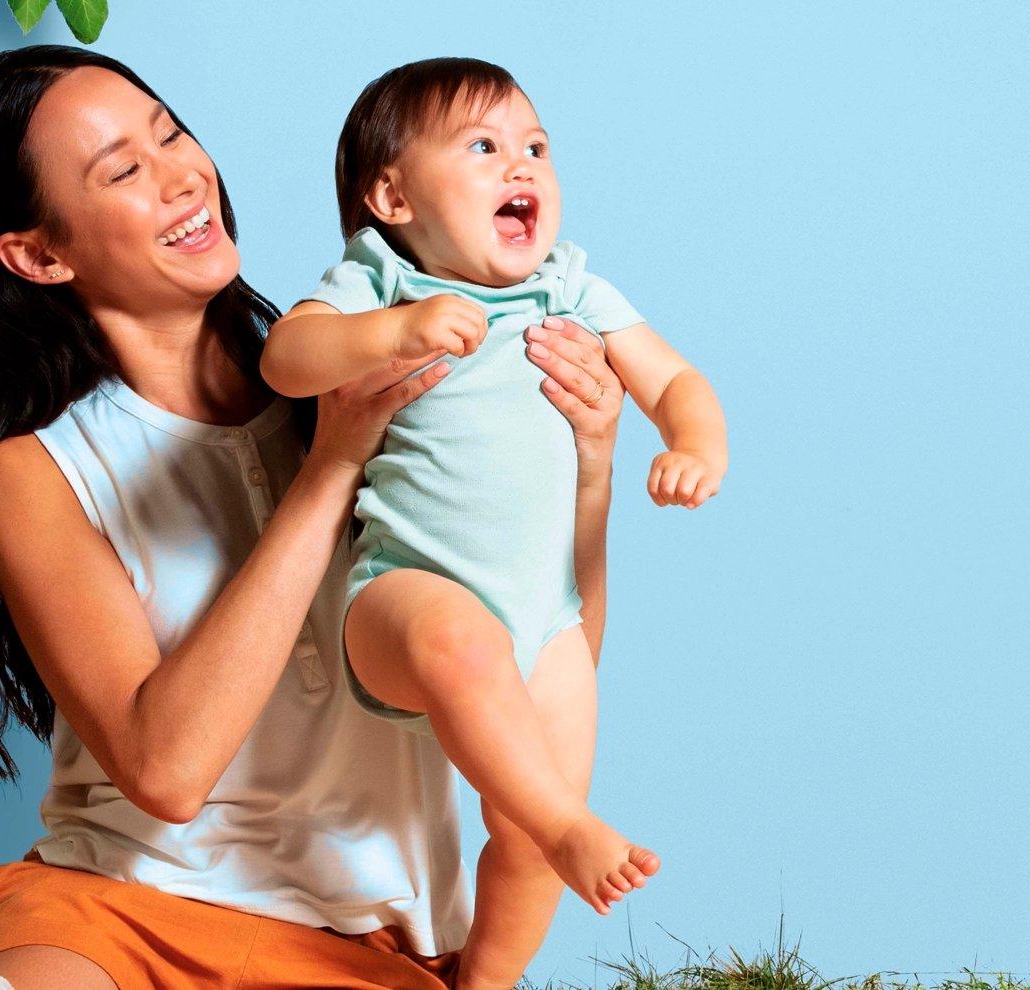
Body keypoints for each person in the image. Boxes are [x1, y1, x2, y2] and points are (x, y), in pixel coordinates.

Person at [0, 45, 631, 990]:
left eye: (171, 134)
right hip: (117, 912)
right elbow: (165, 772)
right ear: (39, 254)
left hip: (368, 945)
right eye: (124, 170)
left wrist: (592, 470)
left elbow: (548, 652)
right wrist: (334, 458)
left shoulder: (365, 354)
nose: (182, 176)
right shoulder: (35, 470)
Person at [260, 57, 728, 989]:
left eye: (537, 147)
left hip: (547, 615)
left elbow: (674, 376)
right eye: (484, 147)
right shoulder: (383, 281)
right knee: (503, 720)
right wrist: (390, 334)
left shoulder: (568, 287)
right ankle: (567, 830)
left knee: (524, 830)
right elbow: (287, 357)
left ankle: (485, 981)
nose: (523, 166)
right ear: (392, 196)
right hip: (406, 595)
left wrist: (692, 443)